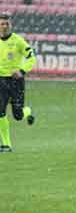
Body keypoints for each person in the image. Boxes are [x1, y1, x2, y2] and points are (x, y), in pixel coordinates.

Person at [0, 13, 36, 153]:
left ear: (11, 25)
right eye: (2, 24)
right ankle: (6, 144)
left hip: (16, 81)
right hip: (1, 80)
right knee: (0, 110)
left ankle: (27, 112)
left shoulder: (19, 41)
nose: (4, 26)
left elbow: (31, 58)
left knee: (18, 115)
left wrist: (22, 70)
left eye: (7, 24)